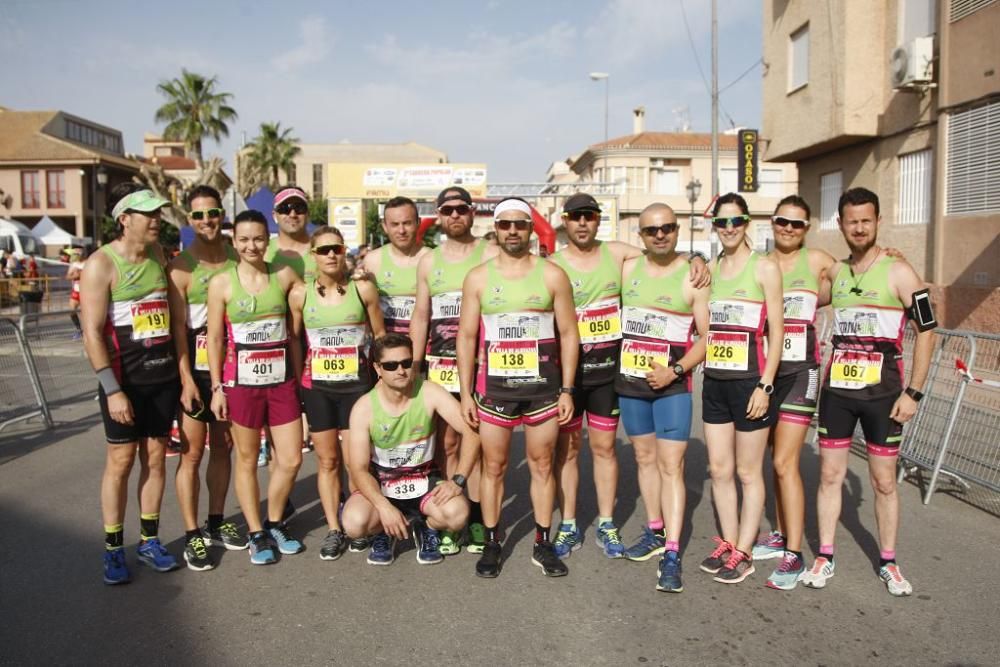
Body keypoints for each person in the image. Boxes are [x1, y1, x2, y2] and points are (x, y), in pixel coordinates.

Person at [548, 194, 710, 561]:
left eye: (589, 216)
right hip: (570, 374)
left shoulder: (620, 255)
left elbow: (665, 258)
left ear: (598, 220)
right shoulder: (552, 264)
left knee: (605, 449)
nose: (583, 223)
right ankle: (569, 524)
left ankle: (606, 522)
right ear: (565, 222)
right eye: (576, 217)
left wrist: (697, 258)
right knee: (568, 452)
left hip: (610, 375)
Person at [800, 187, 936, 596]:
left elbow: (928, 329)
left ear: (877, 222)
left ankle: (889, 561)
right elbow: (798, 296)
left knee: (883, 482)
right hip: (838, 391)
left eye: (866, 220)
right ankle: (824, 555)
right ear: (840, 225)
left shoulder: (900, 271)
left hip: (884, 394)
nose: (858, 228)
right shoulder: (837, 273)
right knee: (829, 475)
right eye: (851, 221)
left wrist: (914, 392)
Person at [457, 197, 580, 578]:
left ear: (531, 228)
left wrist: (567, 390)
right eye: (506, 224)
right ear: (496, 228)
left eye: (521, 224)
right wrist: (464, 393)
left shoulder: (552, 274)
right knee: (493, 466)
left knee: (543, 465)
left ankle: (543, 543)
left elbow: (568, 333)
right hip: (495, 390)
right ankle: (493, 541)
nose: (513, 230)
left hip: (543, 388)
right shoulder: (478, 277)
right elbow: (465, 335)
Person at [79, 184, 181, 584]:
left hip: (162, 378)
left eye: (158, 213)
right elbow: (91, 332)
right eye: (148, 214)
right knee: (120, 463)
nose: (157, 220)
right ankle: (112, 548)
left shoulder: (158, 254)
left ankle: (149, 541)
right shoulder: (100, 264)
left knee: (155, 460)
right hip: (124, 383)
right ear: (125, 219)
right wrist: (112, 388)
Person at [613, 203, 710, 592]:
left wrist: (676, 370)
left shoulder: (691, 276)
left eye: (667, 228)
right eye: (652, 230)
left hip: (672, 386)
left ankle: (672, 551)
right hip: (631, 383)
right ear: (641, 235)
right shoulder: (627, 269)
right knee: (643, 458)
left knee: (672, 466)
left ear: (677, 229)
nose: (660, 235)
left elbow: (708, 337)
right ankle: (655, 530)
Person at [207, 209, 304, 566]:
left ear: (269, 240)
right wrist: (217, 387)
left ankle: (275, 520)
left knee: (291, 458)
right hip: (241, 385)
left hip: (281, 382)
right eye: (244, 239)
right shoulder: (222, 282)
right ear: (234, 242)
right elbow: (215, 337)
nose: (252, 245)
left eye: (258, 239)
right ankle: (255, 532)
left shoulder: (283, 274)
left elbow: (301, 321)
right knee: (247, 459)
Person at [698, 192, 784, 585]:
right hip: (715, 381)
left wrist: (766, 385)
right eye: (721, 222)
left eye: (735, 221)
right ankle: (729, 544)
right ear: (713, 226)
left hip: (750, 383)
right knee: (719, 469)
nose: (729, 229)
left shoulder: (764, 267)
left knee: (749, 472)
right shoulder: (710, 269)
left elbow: (778, 332)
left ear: (747, 224)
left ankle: (745, 553)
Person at [288, 225, 385, 561]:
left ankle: (360, 521)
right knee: (327, 461)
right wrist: (301, 381)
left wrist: (383, 384)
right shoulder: (300, 294)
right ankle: (333, 528)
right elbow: (295, 341)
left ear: (345, 252)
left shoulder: (363, 289)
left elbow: (381, 337)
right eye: (323, 250)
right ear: (312, 256)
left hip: (356, 388)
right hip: (318, 389)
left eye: (337, 249)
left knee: (355, 461)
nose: (331, 255)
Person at [411, 185, 497, 555]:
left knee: (481, 441)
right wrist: (415, 364)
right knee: (448, 441)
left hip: (484, 364)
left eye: (462, 209)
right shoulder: (429, 260)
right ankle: (452, 509)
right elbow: (421, 314)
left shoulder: (490, 252)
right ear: (439, 215)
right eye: (448, 210)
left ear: (472, 212)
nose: (455, 215)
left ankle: (478, 517)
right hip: (441, 365)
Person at [341, 333, 476, 566]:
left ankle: (427, 527)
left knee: (458, 515)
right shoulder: (364, 408)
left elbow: (472, 433)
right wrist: (383, 507)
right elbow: (359, 469)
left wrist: (458, 480)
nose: (400, 370)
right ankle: (383, 532)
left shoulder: (430, 391)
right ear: (377, 368)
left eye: (406, 363)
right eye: (391, 365)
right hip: (384, 486)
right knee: (354, 524)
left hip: (424, 481)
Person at [166, 185, 245, 571]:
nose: (206, 221)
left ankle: (216, 521)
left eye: (212, 213)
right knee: (192, 453)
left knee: (224, 446)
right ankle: (192, 532)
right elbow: (178, 332)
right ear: (189, 219)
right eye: (198, 215)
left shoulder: (237, 258)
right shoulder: (180, 267)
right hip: (195, 369)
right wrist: (184, 379)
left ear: (221, 215)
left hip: (230, 365)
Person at [360, 196, 429, 335]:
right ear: (385, 227)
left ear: (418, 223)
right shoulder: (373, 260)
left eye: (407, 223)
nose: (401, 230)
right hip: (386, 347)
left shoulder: (430, 259)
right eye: (395, 224)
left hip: (422, 345)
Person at [67, 247, 87, 337]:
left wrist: (82, 274)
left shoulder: (88, 263)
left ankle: (87, 331)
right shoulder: (74, 264)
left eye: (76, 254)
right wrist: (75, 275)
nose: (74, 256)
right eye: (74, 255)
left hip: (86, 291)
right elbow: (67, 276)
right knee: (71, 310)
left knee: (85, 313)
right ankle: (78, 329)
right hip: (76, 290)